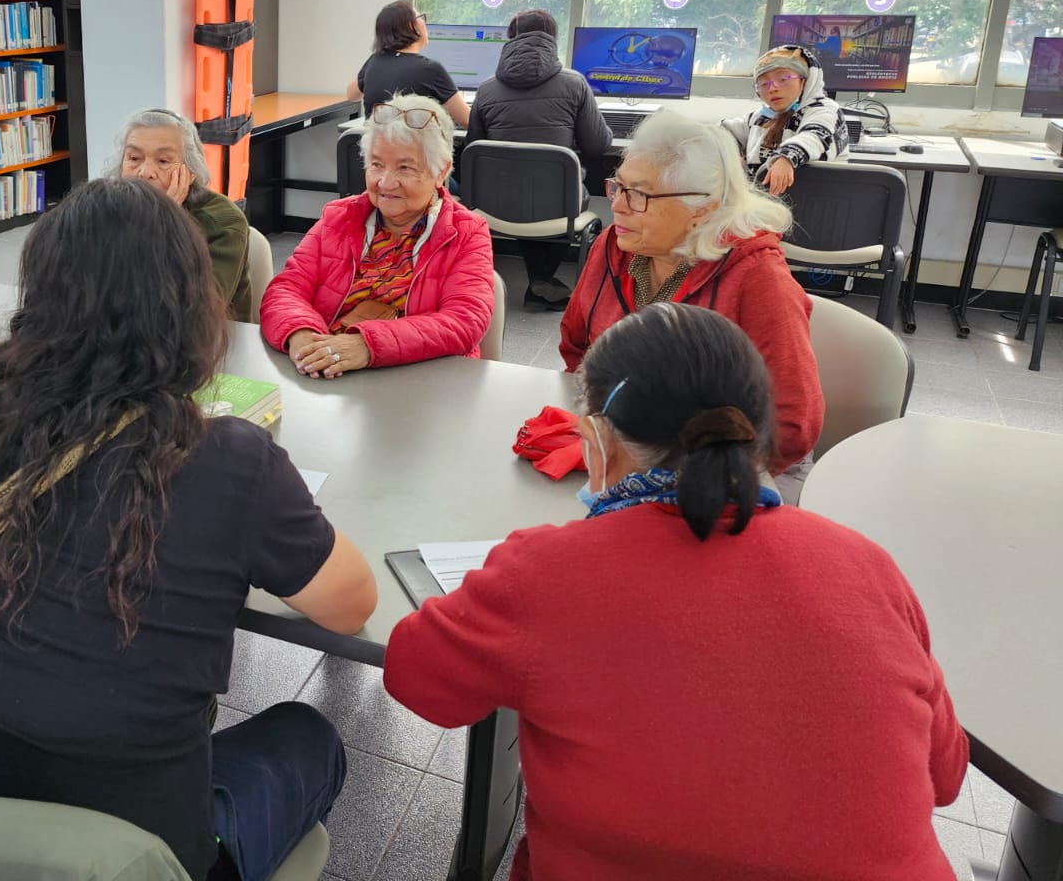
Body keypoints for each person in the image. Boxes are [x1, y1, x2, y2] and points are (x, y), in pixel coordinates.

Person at [0, 178, 376, 881]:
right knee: (309, 738)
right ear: (187, 306)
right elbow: (350, 605)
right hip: (126, 860)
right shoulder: (227, 457)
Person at [384, 302, 967, 881]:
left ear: (595, 439)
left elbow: (417, 678)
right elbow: (944, 775)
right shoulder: (866, 565)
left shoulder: (546, 571)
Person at [559, 110, 821, 496]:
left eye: (640, 195)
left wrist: (675, 480)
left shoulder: (759, 278)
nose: (617, 206)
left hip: (734, 470)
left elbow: (793, 422)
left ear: (703, 208)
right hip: (631, 452)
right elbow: (576, 350)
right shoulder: (614, 246)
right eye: (618, 187)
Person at [261, 93, 494, 377]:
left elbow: (465, 321)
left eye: (405, 168)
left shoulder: (467, 232)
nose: (385, 182)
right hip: (329, 373)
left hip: (420, 382)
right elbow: (286, 290)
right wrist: (301, 334)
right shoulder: (339, 217)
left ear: (440, 170)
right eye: (376, 165)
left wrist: (368, 346)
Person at [464, 8, 613, 310]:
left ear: (512, 39)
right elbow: (598, 146)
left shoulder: (486, 90)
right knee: (552, 192)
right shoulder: (575, 84)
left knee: (524, 190)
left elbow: (472, 148)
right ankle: (542, 280)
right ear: (553, 40)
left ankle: (540, 280)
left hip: (497, 205)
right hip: (557, 206)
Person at [108, 108, 253, 321]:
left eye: (163, 161)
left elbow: (197, 313)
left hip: (205, 345)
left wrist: (166, 222)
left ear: (190, 171)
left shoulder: (222, 221)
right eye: (134, 158)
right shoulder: (106, 210)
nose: (144, 172)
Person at [724, 44, 849, 197]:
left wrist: (787, 157)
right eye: (763, 83)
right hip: (766, 205)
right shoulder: (760, 117)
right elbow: (725, 132)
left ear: (805, 81)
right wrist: (729, 151)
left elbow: (815, 136)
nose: (773, 88)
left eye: (783, 79)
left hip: (817, 203)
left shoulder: (824, 109)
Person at [344, 0, 471, 129]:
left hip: (377, 147)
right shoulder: (430, 69)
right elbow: (467, 120)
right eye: (420, 18)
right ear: (412, 26)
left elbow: (352, 95)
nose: (424, 23)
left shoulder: (374, 61)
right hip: (415, 147)